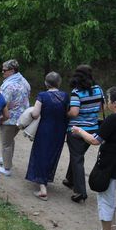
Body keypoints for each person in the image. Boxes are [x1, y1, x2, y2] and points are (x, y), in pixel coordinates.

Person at [71, 86, 116, 230]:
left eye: (109, 100)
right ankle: (113, 228)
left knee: (104, 198)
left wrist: (79, 131)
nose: (107, 103)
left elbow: (95, 140)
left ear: (115, 103)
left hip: (111, 166)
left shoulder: (113, 119)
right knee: (110, 194)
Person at [25, 72, 69, 201]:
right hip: (60, 130)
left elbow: (35, 114)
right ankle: (45, 178)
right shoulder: (65, 96)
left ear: (46, 83)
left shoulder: (42, 96)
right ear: (59, 83)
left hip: (45, 129)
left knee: (41, 154)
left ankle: (42, 187)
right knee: (52, 154)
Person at [65, 64, 105, 203]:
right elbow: (101, 108)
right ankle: (70, 180)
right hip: (93, 129)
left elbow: (74, 112)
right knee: (77, 154)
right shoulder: (98, 89)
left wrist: (66, 112)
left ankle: (80, 191)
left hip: (76, 130)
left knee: (77, 158)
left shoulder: (77, 92)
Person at [0, 59, 31, 176]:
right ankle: (6, 159)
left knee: (6, 143)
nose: (2, 72)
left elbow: (3, 104)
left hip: (9, 119)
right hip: (22, 118)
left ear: (12, 71)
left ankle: (7, 169)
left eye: (4, 70)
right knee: (10, 141)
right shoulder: (24, 81)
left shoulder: (9, 86)